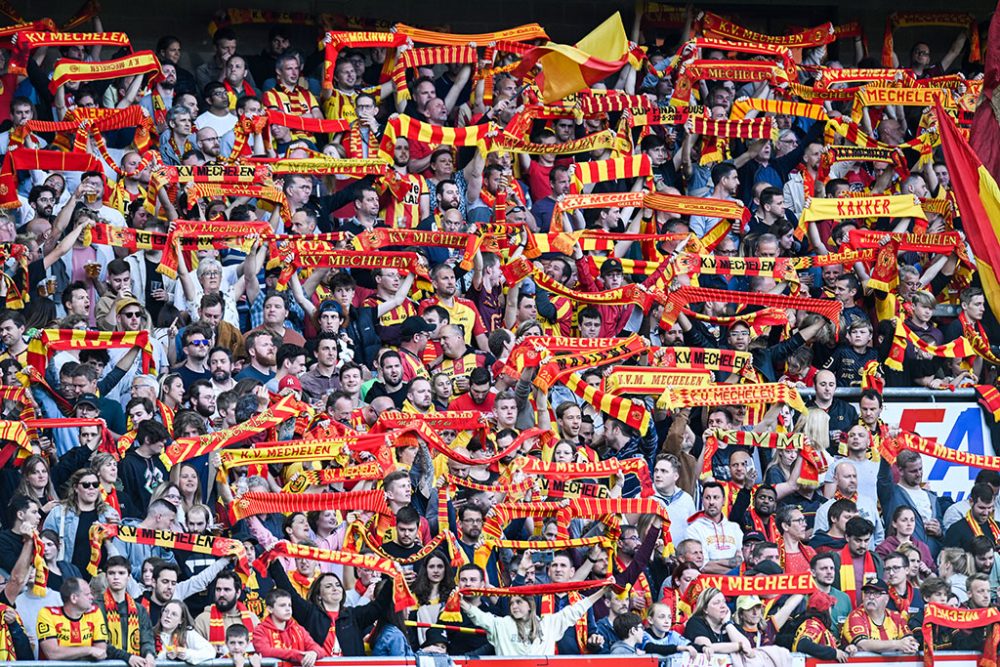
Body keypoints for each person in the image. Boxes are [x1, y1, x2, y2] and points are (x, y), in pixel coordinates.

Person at [461, 585, 607, 656]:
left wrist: (602, 591)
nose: (514, 606)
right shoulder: (501, 624)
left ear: (530, 605)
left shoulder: (548, 624)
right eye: (511, 603)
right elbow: (478, 616)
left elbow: (576, 610)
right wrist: (462, 602)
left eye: (519, 602)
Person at [36, 577, 109, 660]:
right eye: (87, 594)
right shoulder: (48, 614)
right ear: (74, 598)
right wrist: (89, 650)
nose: (92, 597)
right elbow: (52, 653)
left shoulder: (94, 612)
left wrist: (66, 653)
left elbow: (100, 652)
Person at [841, 580, 918, 655]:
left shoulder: (896, 617)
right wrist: (898, 644)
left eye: (877, 593)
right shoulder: (855, 616)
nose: (871, 597)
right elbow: (863, 644)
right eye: (867, 593)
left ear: (887, 598)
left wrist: (911, 644)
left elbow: (909, 640)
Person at [252, 589, 327, 666]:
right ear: (270, 609)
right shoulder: (260, 630)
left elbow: (319, 650)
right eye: (282, 605)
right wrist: (296, 655)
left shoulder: (299, 629)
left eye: (289, 605)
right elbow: (265, 651)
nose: (288, 609)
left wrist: (314, 653)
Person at [153, 600, 215, 664]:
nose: (168, 616)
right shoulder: (150, 634)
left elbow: (210, 651)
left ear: (181, 621)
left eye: (174, 614)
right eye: (166, 611)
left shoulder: (188, 633)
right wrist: (165, 655)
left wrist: (186, 654)